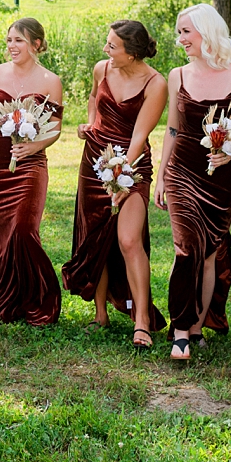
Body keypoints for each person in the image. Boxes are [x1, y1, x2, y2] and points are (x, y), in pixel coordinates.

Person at [154, 4, 231, 360]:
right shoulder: (177, 75)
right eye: (179, 32)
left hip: (220, 180)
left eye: (185, 32)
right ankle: (181, 330)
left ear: (207, 31)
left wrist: (230, 150)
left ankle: (197, 325)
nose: (180, 39)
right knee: (185, 248)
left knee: (209, 254)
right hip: (181, 172)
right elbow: (172, 128)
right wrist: (161, 176)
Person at [62, 20, 167, 348]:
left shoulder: (156, 83)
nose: (105, 49)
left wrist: (120, 174)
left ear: (132, 53)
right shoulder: (101, 69)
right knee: (95, 236)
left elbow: (139, 136)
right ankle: (100, 314)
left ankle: (142, 320)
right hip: (94, 162)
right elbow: (94, 97)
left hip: (131, 166)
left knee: (128, 239)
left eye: (112, 46)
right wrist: (89, 124)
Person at [0, 18, 64, 326]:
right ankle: (3, 299)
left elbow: (56, 129)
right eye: (9, 39)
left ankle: (38, 296)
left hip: (31, 163)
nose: (11, 45)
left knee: (23, 228)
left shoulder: (51, 81)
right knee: (2, 233)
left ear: (36, 44)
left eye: (19, 40)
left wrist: (34, 147)